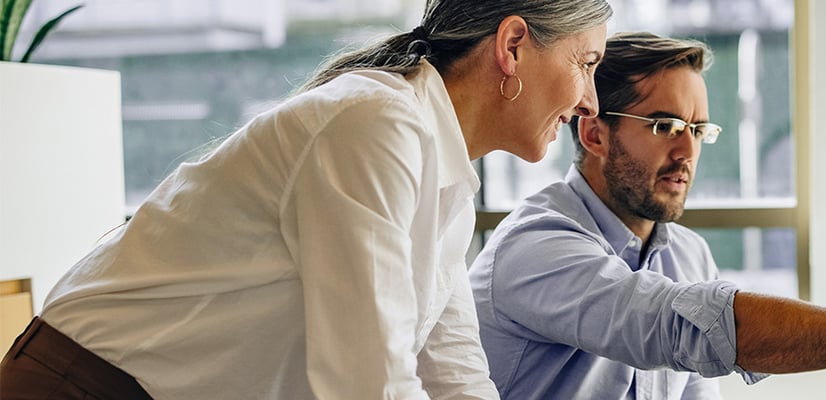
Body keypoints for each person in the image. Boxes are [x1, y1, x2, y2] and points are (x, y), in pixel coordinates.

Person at [0, 1, 612, 399]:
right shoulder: (377, 126)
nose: (590, 100)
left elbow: (451, 372)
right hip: (83, 384)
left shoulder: (446, 176)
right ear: (511, 47)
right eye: (585, 64)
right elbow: (368, 382)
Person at [468, 32, 826, 399]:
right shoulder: (536, 247)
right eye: (665, 126)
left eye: (698, 130)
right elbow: (686, 327)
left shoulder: (688, 254)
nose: (687, 153)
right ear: (594, 132)